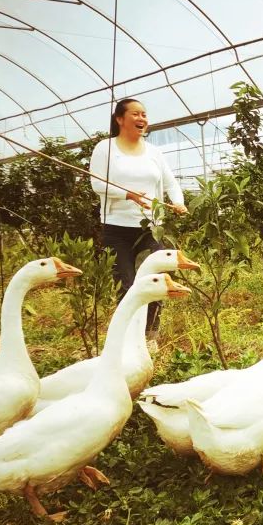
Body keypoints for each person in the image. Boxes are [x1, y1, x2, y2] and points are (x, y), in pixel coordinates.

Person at [88, 98, 187, 344]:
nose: (141, 118)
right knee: (126, 284)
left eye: (144, 114)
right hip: (117, 228)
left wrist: (178, 201)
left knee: (155, 280)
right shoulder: (105, 148)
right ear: (120, 119)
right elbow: (96, 182)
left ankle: (150, 335)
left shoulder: (154, 152)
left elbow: (171, 181)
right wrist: (127, 194)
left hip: (150, 229)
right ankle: (129, 338)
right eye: (135, 114)